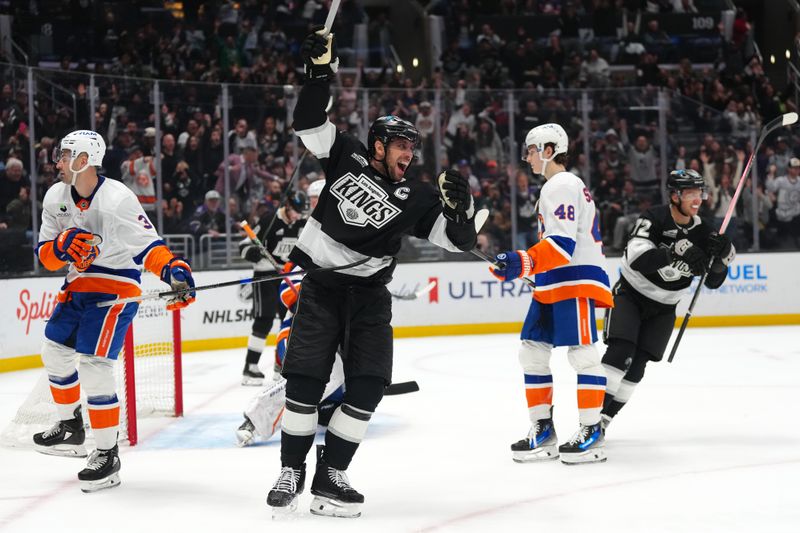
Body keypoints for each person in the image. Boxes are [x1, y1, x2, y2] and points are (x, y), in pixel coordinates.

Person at [266, 28, 479, 518]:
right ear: (379, 144)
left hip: (368, 297)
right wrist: (319, 75)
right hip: (320, 288)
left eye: (413, 146)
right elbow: (306, 119)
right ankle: (291, 471)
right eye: (402, 144)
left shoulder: (419, 196)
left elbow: (461, 242)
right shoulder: (346, 154)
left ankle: (331, 473)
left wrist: (463, 211)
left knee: (368, 384)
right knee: (303, 384)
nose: (409, 153)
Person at [33, 130, 196, 492]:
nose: (57, 161)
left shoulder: (118, 198)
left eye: (65, 154)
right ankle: (71, 426)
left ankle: (107, 454)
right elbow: (44, 254)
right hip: (78, 285)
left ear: (83, 160)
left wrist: (173, 271)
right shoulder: (55, 196)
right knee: (54, 353)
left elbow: (148, 245)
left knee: (93, 364)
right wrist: (60, 246)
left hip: (116, 287)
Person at [489, 123, 613, 465]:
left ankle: (592, 432)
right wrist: (526, 266)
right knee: (532, 350)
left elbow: (561, 245)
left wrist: (522, 261)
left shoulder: (561, 184)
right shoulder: (558, 186)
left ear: (548, 150)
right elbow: (555, 247)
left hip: (574, 280)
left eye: (530, 150)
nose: (526, 157)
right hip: (556, 281)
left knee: (584, 355)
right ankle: (543, 429)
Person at [600, 169, 735, 430]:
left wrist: (720, 258)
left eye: (700, 193)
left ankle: (605, 420)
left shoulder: (705, 231)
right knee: (620, 353)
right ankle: (591, 418)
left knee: (638, 366)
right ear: (674, 195)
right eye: (691, 194)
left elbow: (713, 281)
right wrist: (674, 251)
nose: (698, 200)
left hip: (664, 307)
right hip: (631, 296)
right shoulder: (654, 218)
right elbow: (638, 260)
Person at [238, 190, 309, 385]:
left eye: (300, 212)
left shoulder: (303, 224)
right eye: (295, 211)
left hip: (288, 277)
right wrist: (252, 252)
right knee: (264, 320)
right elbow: (243, 246)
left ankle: (281, 365)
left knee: (290, 319)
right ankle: (250, 368)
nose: (297, 216)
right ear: (287, 205)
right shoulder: (269, 220)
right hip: (265, 276)